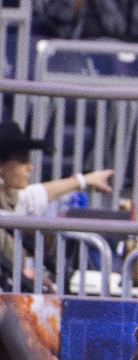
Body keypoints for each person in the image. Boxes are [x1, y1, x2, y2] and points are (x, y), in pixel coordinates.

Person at [0, 121, 114, 292]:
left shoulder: (10, 198)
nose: (30, 167)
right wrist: (20, 274)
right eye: (22, 160)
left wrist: (84, 180)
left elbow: (38, 194)